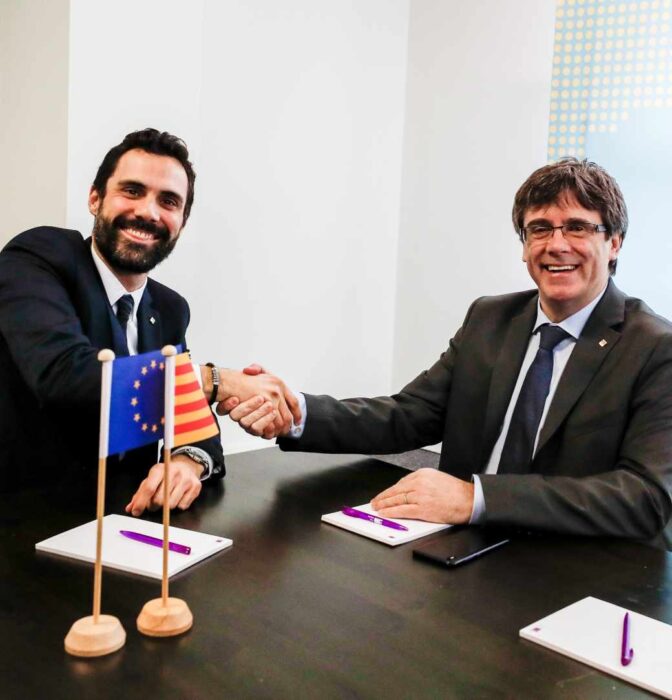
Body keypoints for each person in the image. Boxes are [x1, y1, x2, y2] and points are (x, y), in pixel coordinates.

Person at [222, 158, 672, 548]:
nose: (556, 244)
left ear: (614, 243)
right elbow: (409, 415)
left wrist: (476, 498)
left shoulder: (655, 348)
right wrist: (296, 412)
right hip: (457, 550)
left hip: (578, 567)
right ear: (524, 246)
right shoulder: (491, 318)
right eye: (539, 228)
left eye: (577, 227)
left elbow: (645, 498)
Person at [0, 128, 300, 515]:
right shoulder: (39, 257)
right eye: (132, 191)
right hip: (21, 521)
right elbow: (65, 377)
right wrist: (218, 380)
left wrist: (186, 463)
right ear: (95, 198)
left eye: (169, 201)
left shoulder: (171, 307)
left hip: (128, 521)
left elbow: (193, 421)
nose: (148, 212)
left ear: (181, 223)